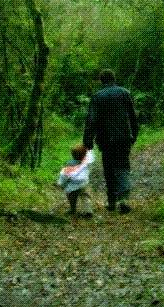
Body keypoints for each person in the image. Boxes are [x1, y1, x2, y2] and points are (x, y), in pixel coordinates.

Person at [83, 69, 139, 214]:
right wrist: (134, 134)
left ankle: (112, 200)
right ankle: (124, 198)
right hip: (123, 138)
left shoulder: (97, 96)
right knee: (123, 166)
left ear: (101, 81)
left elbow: (92, 120)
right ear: (114, 79)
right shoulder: (124, 93)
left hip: (105, 139)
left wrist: (88, 140)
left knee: (108, 168)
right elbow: (132, 116)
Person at [56, 144, 95, 217]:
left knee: (71, 197)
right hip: (83, 183)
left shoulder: (70, 164)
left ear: (73, 155)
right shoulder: (85, 163)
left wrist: (62, 184)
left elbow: (65, 174)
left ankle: (73, 209)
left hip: (72, 185)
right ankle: (88, 210)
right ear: (84, 156)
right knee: (85, 196)